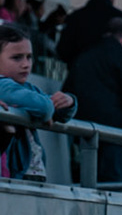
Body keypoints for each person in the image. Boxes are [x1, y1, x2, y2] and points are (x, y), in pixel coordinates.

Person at [66, 16, 122, 185]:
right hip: (114, 129)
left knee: (85, 178)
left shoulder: (84, 56)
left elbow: (68, 89)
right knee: (112, 181)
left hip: (83, 127)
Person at [0, 24, 75, 180]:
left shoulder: (26, 88)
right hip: (15, 174)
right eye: (17, 57)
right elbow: (46, 106)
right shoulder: (3, 85)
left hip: (31, 172)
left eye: (29, 56)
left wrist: (69, 102)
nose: (26, 64)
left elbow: (59, 111)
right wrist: (44, 109)